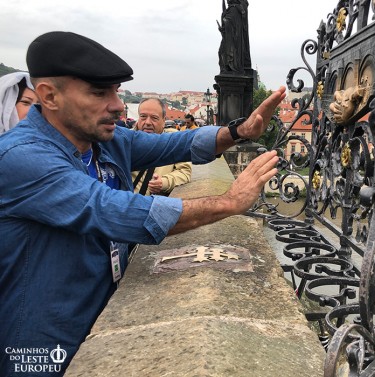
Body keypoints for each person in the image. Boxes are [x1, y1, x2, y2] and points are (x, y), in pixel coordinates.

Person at [0, 31, 285, 376]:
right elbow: (114, 210)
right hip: (43, 342)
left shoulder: (104, 139)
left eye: (116, 91)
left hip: (100, 312)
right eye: (99, 92)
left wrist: (238, 132)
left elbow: (175, 145)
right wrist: (229, 202)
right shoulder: (22, 157)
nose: (118, 105)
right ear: (49, 96)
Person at [132, 98, 192, 196]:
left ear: (164, 121)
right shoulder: (126, 140)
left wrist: (164, 182)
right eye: (143, 116)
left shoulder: (175, 141)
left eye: (154, 118)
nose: (147, 122)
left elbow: (184, 172)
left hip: (155, 206)